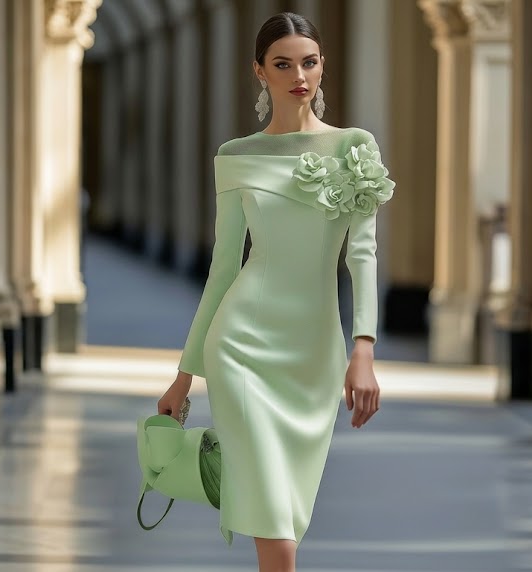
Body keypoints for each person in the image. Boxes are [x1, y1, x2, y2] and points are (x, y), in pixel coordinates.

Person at [155, 12, 392, 572]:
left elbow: (362, 255)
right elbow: (221, 270)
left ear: (322, 65)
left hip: (314, 351)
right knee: (273, 526)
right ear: (259, 72)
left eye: (308, 62)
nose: (298, 76)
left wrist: (364, 347)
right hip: (240, 345)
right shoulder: (235, 155)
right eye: (282, 64)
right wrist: (186, 373)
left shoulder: (355, 147)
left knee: (290, 509)